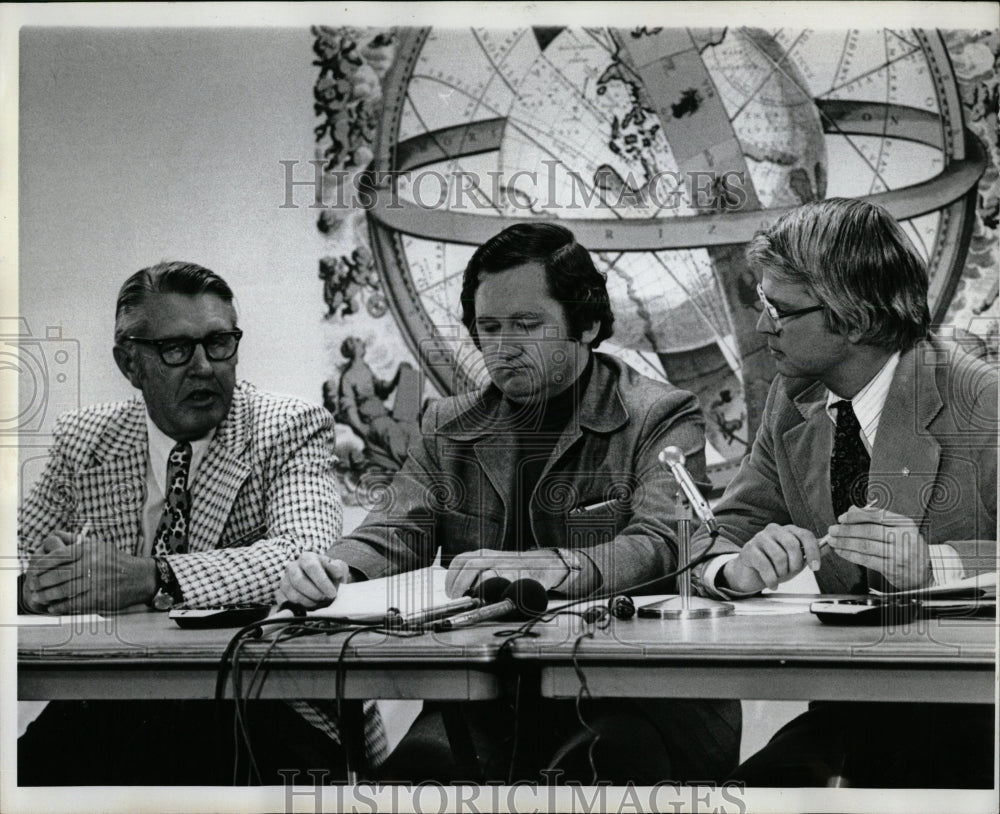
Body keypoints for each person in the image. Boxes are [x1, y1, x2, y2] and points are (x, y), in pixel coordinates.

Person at [278, 223, 741, 785]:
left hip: (635, 697)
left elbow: (668, 544)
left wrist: (553, 567)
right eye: (488, 327)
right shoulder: (448, 424)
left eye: (526, 325)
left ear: (588, 324)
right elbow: (391, 531)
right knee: (404, 785)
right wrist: (336, 570)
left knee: (594, 772)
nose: (502, 348)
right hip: (489, 702)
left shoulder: (661, 414)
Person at [691, 198, 997, 788]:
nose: (760, 327)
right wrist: (735, 568)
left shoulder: (984, 404)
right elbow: (722, 531)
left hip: (978, 714)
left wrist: (935, 567)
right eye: (761, 304)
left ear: (854, 319)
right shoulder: (794, 394)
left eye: (778, 310)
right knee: (745, 799)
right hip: (853, 705)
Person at [17, 261, 361, 785]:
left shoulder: (289, 425)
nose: (204, 366)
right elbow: (17, 558)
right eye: (176, 350)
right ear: (129, 364)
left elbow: (302, 552)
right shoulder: (84, 438)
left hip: (268, 701)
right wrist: (42, 587)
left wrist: (151, 577)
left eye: (219, 343)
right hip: (115, 696)